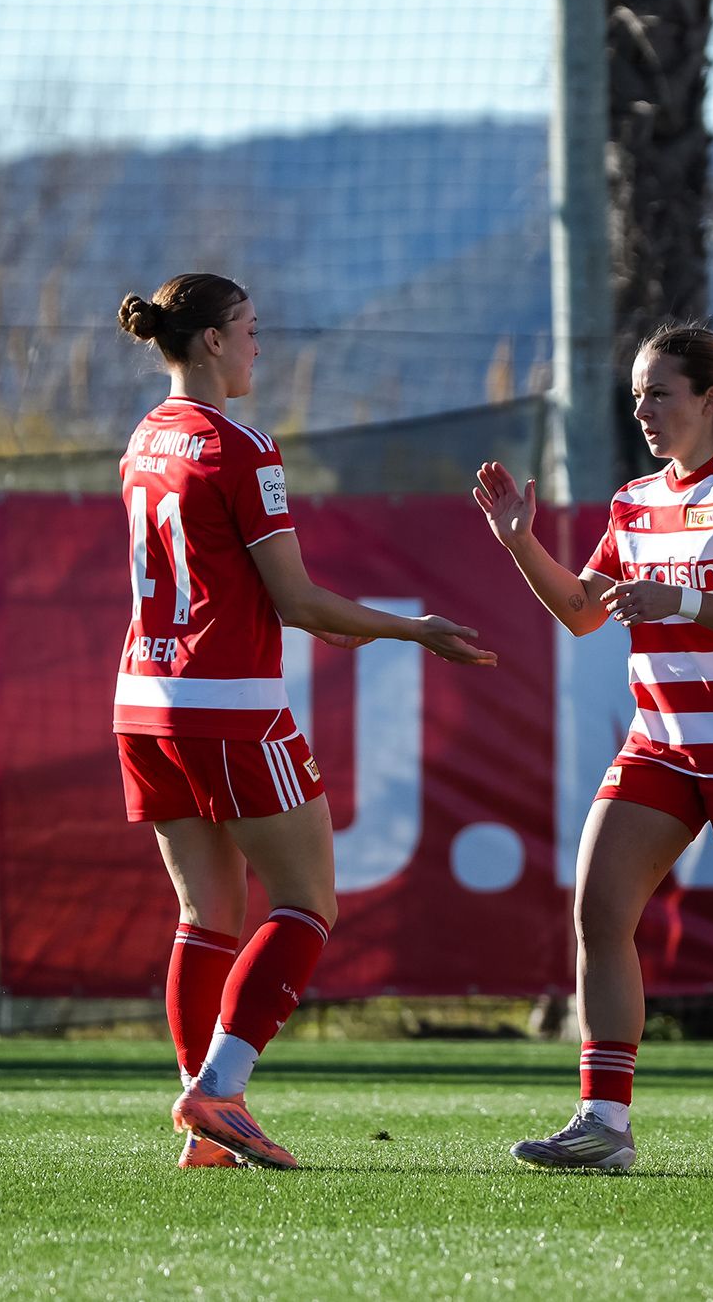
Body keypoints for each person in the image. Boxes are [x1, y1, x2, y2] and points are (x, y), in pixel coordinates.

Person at [114, 273, 495, 1170]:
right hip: (229, 703)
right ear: (210, 340)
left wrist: (341, 621)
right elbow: (295, 600)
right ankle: (220, 1089)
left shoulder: (144, 437)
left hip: (141, 698)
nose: (258, 344)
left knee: (205, 911)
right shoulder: (238, 445)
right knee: (307, 901)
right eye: (249, 329)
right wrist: (411, 628)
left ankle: (207, 1112)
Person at [477, 324, 713, 1174]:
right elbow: (581, 608)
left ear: (710, 400)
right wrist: (519, 540)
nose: (643, 408)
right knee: (599, 908)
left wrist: (676, 597)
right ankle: (604, 1121)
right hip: (662, 741)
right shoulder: (633, 501)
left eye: (659, 392)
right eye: (637, 394)